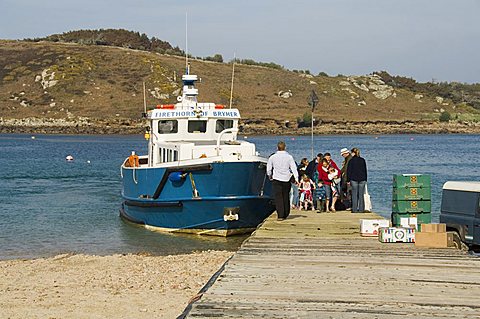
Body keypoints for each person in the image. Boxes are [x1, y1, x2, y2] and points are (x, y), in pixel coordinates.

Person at [267, 141, 299, 220]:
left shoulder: (273, 157)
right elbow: (294, 168)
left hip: (276, 178)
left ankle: (280, 215)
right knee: (285, 196)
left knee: (278, 197)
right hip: (286, 178)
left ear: (277, 148)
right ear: (285, 147)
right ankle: (286, 213)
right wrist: (296, 178)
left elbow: (268, 169)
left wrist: (270, 176)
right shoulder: (289, 157)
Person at [347, 147, 368, 213]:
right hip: (362, 179)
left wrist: (348, 180)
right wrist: (365, 179)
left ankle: (354, 209)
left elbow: (349, 171)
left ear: (353, 153)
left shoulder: (351, 161)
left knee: (354, 195)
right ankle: (361, 209)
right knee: (361, 195)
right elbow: (365, 170)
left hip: (354, 179)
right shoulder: (362, 160)